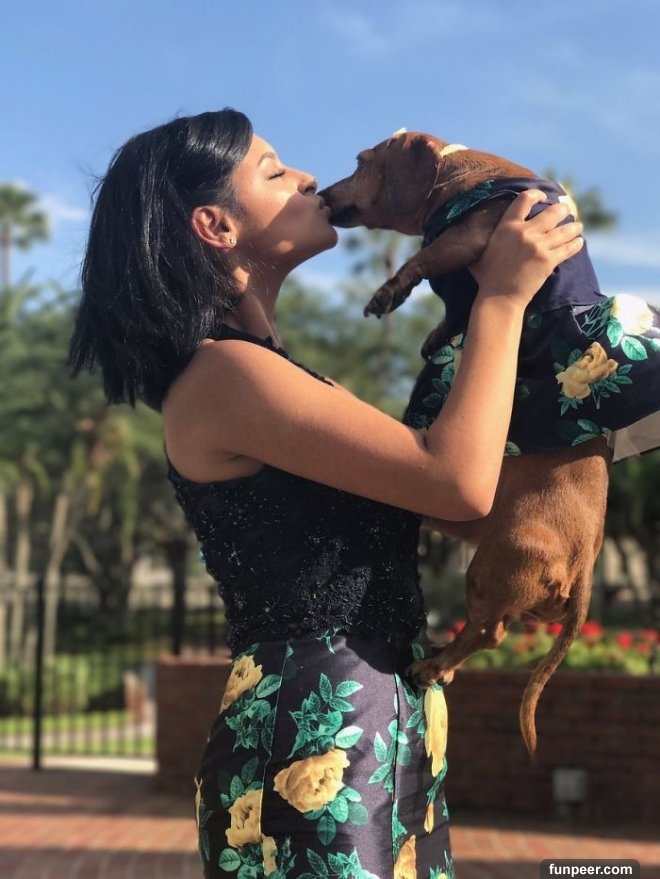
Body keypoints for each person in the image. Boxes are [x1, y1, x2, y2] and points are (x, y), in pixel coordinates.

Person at [68, 108, 584, 879]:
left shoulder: (279, 376)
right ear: (215, 224)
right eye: (275, 171)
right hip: (315, 737)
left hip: (375, 727)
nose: (309, 177)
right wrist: (503, 300)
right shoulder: (226, 375)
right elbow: (456, 479)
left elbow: (445, 500)